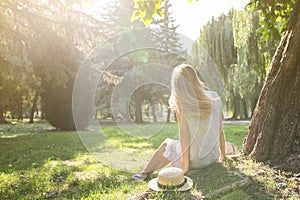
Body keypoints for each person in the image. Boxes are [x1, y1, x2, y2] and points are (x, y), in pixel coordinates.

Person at [132, 64, 236, 180]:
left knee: (167, 144)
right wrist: (223, 156)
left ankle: (144, 173)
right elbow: (220, 131)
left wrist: (184, 167)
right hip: (213, 157)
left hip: (198, 160)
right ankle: (145, 172)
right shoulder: (214, 97)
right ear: (195, 79)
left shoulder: (183, 106)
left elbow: (184, 137)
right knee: (181, 146)